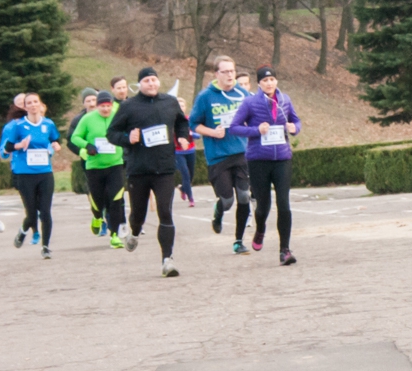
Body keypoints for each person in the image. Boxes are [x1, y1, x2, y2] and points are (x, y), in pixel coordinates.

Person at [106, 66, 191, 277]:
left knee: (165, 212)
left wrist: (182, 136)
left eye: (154, 80)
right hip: (139, 170)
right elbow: (112, 133)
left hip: (165, 168)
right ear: (140, 84)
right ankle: (134, 231)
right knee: (138, 215)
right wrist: (128, 139)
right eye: (147, 81)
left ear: (158, 82)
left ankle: (167, 260)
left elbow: (181, 123)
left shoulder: (170, 102)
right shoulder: (129, 106)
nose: (151, 84)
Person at [229, 66, 301, 264]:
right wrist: (255, 130)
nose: (269, 83)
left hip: (282, 159)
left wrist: (295, 128)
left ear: (276, 81)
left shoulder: (285, 100)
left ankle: (284, 250)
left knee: (284, 204)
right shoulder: (250, 102)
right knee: (263, 206)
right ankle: (260, 229)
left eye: (272, 79)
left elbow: (296, 121)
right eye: (265, 81)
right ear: (259, 84)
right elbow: (234, 127)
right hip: (258, 159)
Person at [190, 55, 251, 253]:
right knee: (227, 201)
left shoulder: (242, 94)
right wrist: (212, 132)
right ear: (216, 74)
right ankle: (219, 212)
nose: (229, 75)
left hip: (241, 153)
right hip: (218, 157)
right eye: (225, 72)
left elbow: (254, 118)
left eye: (232, 71)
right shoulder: (205, 97)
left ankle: (239, 241)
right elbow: (193, 124)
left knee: (243, 196)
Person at [1, 92, 61, 258]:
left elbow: (55, 139)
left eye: (36, 102)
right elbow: (7, 147)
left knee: (46, 211)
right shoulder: (18, 125)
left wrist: (56, 145)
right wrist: (20, 145)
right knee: (32, 213)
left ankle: (46, 246)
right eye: (30, 103)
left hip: (45, 172)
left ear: (40, 104)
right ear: (25, 107)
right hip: (25, 173)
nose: (33, 105)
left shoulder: (48, 124)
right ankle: (23, 230)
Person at [70, 91, 127, 249]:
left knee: (115, 200)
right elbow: (75, 137)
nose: (106, 109)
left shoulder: (118, 116)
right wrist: (87, 146)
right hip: (94, 166)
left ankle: (114, 235)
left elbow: (127, 132)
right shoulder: (87, 119)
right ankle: (96, 217)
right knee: (98, 200)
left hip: (115, 164)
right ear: (97, 106)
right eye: (102, 106)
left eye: (108, 106)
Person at [66, 88, 102, 235]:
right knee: (94, 190)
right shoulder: (78, 120)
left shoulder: (106, 115)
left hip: (107, 159)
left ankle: (108, 218)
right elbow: (70, 140)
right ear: (84, 103)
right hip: (89, 160)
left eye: (94, 100)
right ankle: (98, 216)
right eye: (88, 101)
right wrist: (81, 150)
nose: (92, 103)